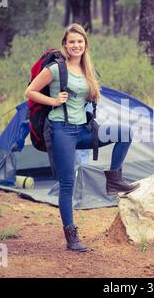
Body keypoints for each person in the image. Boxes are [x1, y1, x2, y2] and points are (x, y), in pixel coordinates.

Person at [24, 23, 139, 252]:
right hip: (61, 129)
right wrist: (54, 101)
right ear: (65, 45)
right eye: (72, 42)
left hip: (83, 130)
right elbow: (30, 92)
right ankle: (71, 236)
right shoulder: (57, 69)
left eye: (80, 41)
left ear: (85, 44)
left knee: (125, 132)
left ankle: (114, 179)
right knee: (68, 183)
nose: (76, 45)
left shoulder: (87, 70)